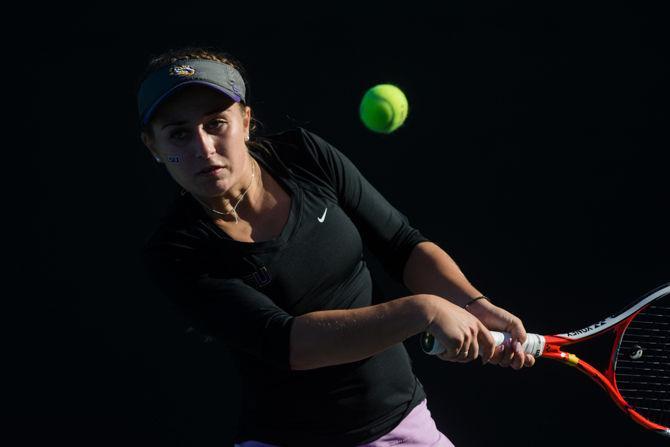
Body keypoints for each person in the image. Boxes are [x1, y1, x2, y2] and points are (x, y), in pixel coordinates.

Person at [137, 46, 535, 447]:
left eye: (216, 123)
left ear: (245, 120)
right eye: (179, 133)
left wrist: (472, 305)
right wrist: (423, 310)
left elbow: (401, 244)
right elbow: (289, 343)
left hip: (401, 429)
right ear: (153, 147)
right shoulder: (177, 250)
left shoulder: (304, 155)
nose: (203, 148)